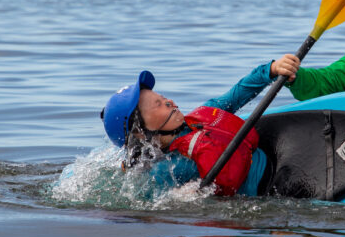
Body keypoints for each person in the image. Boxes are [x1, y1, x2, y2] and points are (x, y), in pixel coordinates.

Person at [100, 62, 293, 197]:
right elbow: (154, 205)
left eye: (163, 97)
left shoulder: (201, 116)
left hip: (282, 163)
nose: (169, 102)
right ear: (140, 133)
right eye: (158, 104)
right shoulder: (165, 171)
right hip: (272, 192)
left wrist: (270, 70)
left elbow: (237, 94)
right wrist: (182, 197)